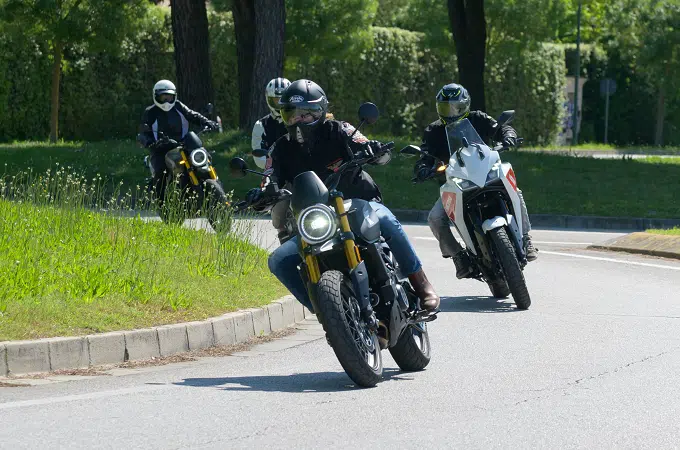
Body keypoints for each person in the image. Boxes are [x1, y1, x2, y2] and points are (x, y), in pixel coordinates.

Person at [248, 79, 440, 317]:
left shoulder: (341, 130)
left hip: (358, 205)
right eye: (292, 115)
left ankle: (421, 284)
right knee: (278, 261)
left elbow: (368, 146)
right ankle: (324, 312)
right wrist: (262, 194)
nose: (298, 121)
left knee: (387, 221)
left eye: (305, 114)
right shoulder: (279, 148)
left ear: (320, 111)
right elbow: (269, 177)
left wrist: (373, 150)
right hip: (317, 221)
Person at [413, 83, 538, 279]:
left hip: (487, 172)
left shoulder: (478, 118)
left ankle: (526, 238)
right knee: (435, 218)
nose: (450, 112)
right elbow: (425, 154)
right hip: (456, 183)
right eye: (445, 108)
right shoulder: (433, 130)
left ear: (465, 105)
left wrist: (508, 136)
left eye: (455, 107)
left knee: (516, 191)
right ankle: (459, 256)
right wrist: (422, 168)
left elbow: (500, 128)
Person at [138, 79, 219, 203]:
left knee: (205, 157)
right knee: (161, 172)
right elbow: (143, 133)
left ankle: (216, 188)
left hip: (184, 144)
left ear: (174, 96)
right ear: (156, 96)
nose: (166, 101)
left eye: (169, 97)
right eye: (163, 97)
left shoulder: (178, 106)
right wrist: (149, 142)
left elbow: (193, 115)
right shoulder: (150, 112)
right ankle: (161, 202)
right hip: (161, 149)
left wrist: (207, 122)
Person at [251, 78, 293, 242]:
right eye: (276, 100)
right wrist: (276, 164)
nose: (280, 103)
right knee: (278, 217)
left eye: (283, 98)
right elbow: (258, 156)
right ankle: (283, 237)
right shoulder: (261, 125)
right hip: (276, 173)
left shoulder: (300, 118)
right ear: (269, 100)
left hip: (304, 167)